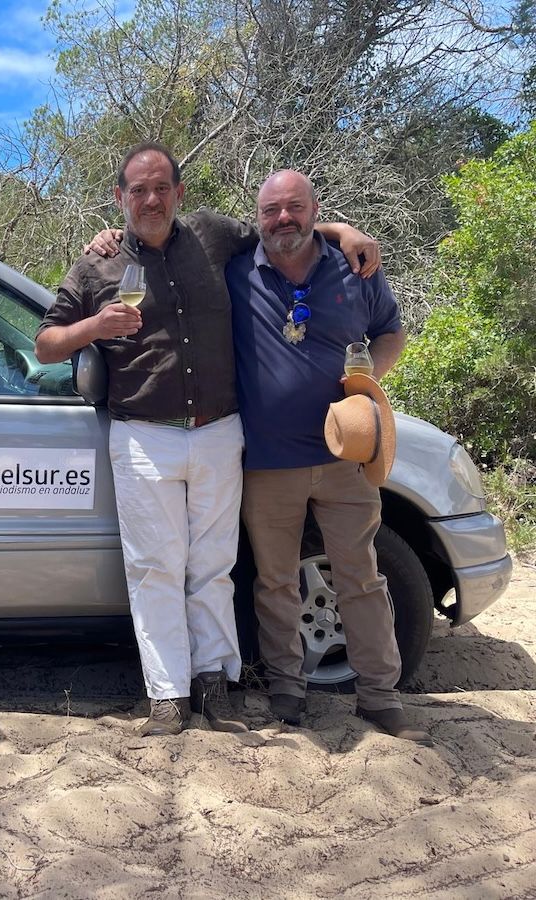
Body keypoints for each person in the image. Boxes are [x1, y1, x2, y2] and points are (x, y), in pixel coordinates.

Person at [39, 142, 379, 738]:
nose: (151, 199)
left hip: (220, 430)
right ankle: (167, 695)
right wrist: (96, 325)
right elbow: (46, 342)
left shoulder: (211, 236)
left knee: (215, 566)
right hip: (143, 436)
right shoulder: (98, 266)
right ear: (119, 197)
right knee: (155, 568)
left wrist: (341, 229)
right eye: (138, 190)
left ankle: (215, 683)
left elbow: (282, 232)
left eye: (161, 188)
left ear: (179, 194)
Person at [227, 169, 431, 744]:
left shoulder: (355, 266)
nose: (283, 219)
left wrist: (367, 388)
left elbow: (390, 332)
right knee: (274, 581)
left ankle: (379, 696)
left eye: (295, 207)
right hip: (268, 460)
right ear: (259, 217)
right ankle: (287, 690)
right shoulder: (238, 269)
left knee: (361, 576)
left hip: (348, 457)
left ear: (315, 210)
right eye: (272, 210)